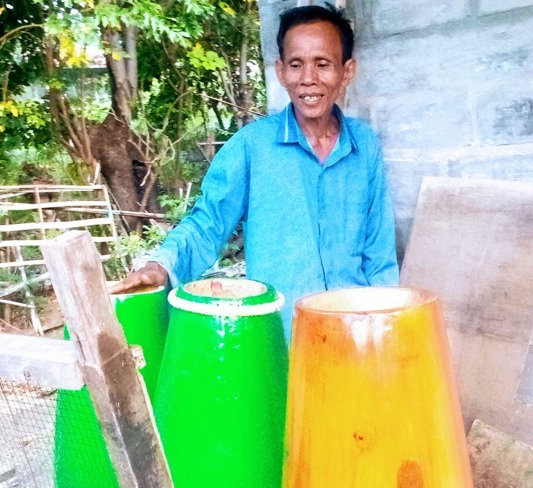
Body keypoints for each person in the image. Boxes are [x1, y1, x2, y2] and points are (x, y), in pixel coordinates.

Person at [111, 3, 399, 335]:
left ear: (347, 71)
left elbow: (379, 250)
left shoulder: (364, 145)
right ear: (280, 71)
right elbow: (208, 222)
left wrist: (386, 323)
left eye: (323, 64)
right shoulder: (252, 146)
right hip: (283, 336)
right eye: (296, 64)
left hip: (356, 332)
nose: (308, 79)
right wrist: (160, 265)